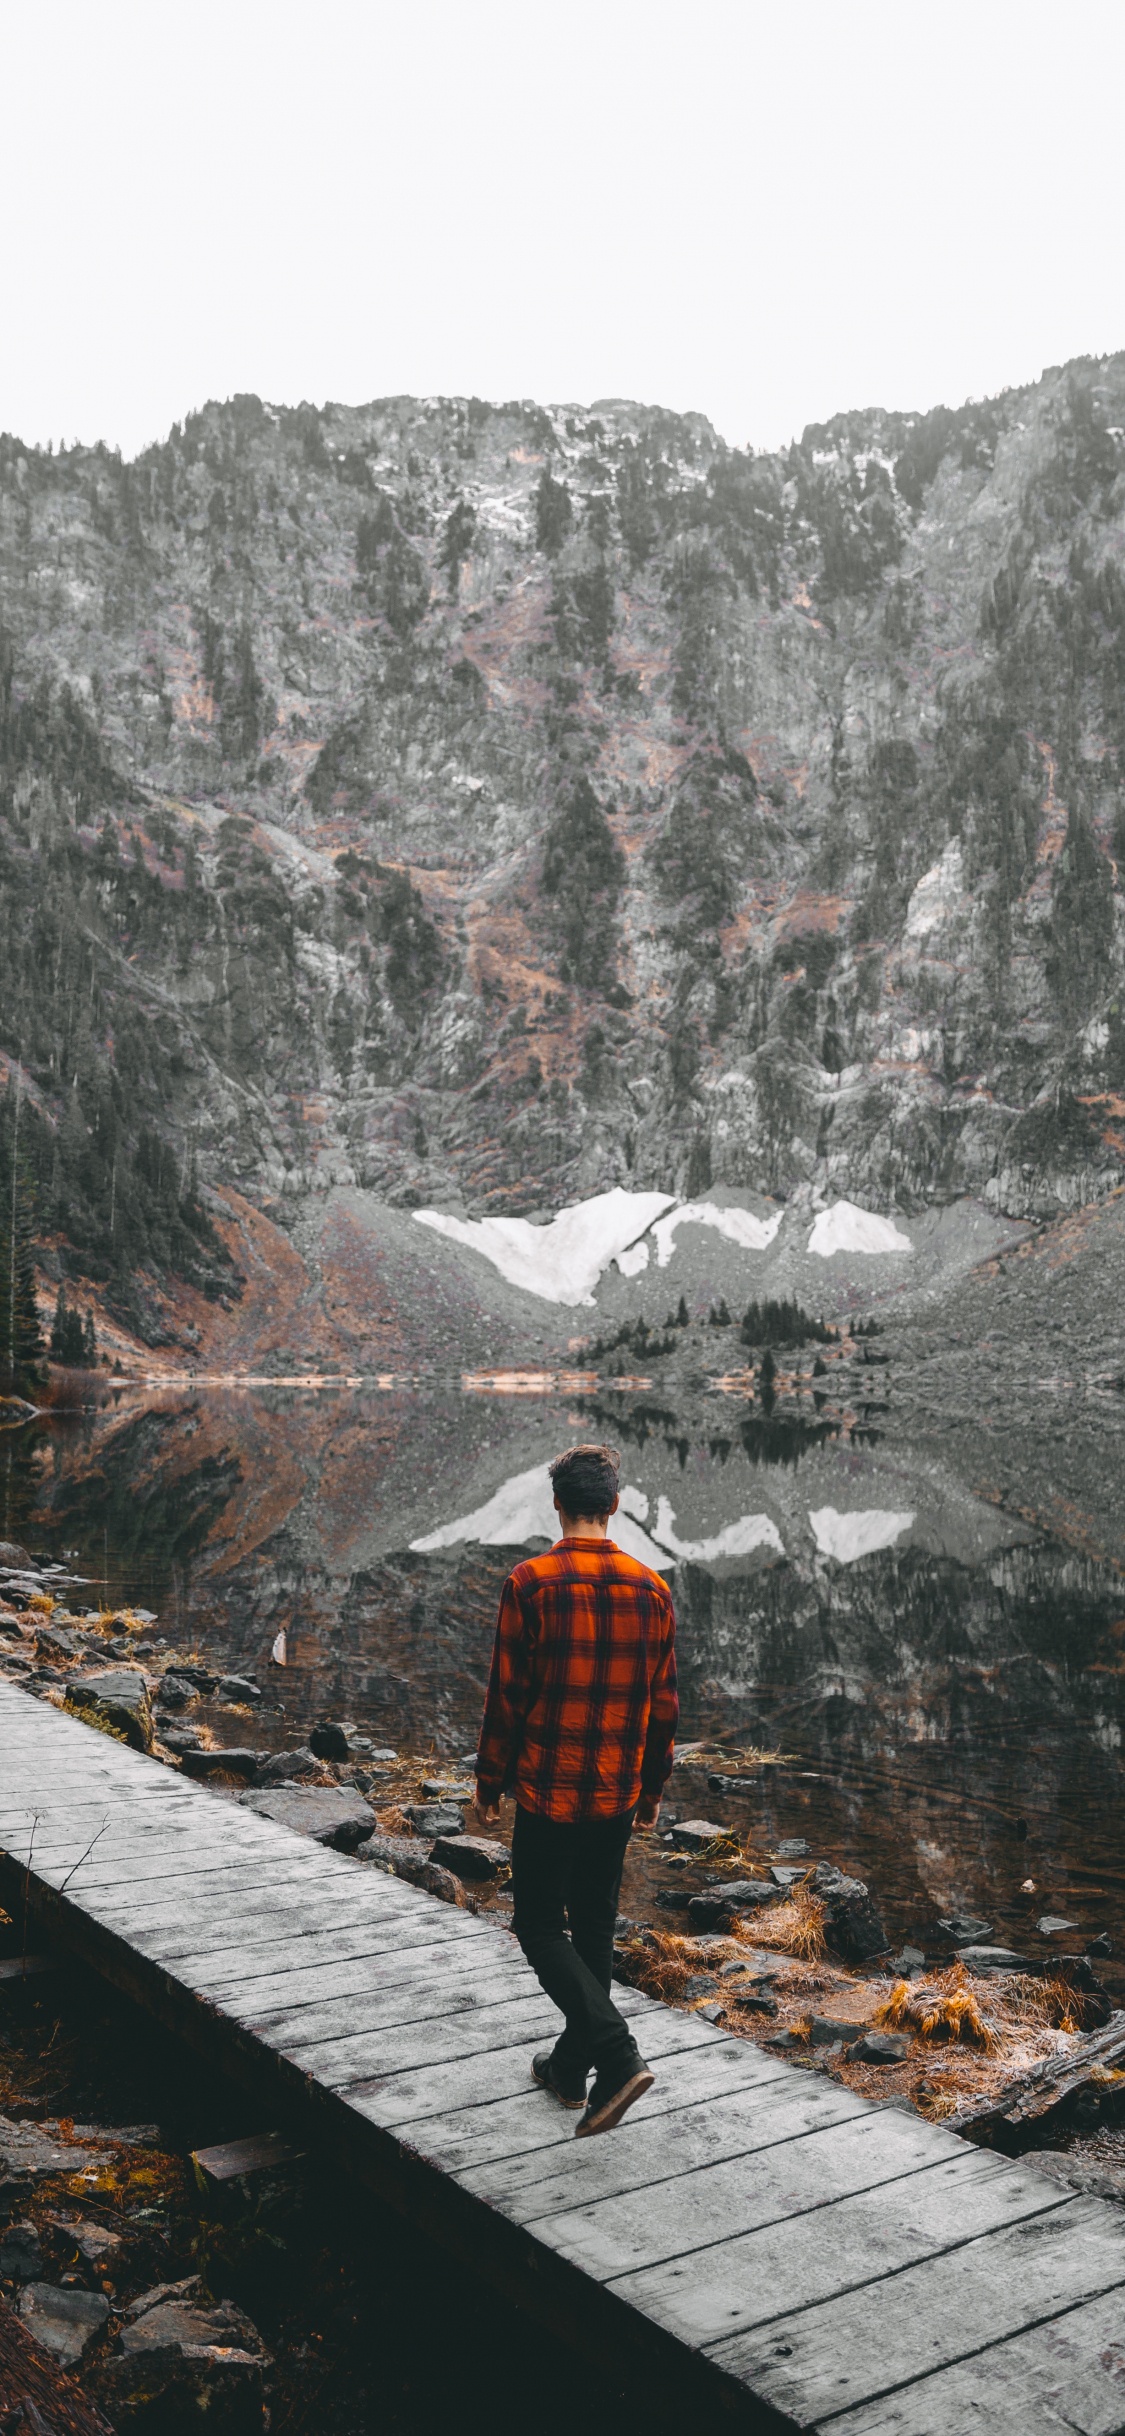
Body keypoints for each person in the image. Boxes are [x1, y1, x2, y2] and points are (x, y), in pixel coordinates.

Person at [475, 1441, 678, 2137]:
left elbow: (507, 1697)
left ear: (557, 1505)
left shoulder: (530, 1583)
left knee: (537, 1924)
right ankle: (568, 2068)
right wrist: (652, 1790)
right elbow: (663, 1706)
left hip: (547, 1788)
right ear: (614, 1506)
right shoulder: (652, 1589)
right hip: (616, 1791)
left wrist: (489, 1781)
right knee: (591, 1924)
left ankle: (616, 2055)